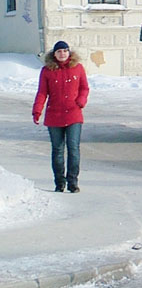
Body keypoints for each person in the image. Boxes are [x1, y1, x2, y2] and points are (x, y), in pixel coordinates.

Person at [32, 40, 90, 193]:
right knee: (57, 150)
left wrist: (81, 101)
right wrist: (37, 110)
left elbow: (84, 88)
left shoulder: (77, 68)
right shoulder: (47, 71)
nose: (62, 54)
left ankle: (73, 182)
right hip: (54, 116)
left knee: (73, 148)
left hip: (74, 114)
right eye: (59, 52)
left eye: (65, 51)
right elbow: (42, 92)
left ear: (69, 52)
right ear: (54, 54)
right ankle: (59, 182)